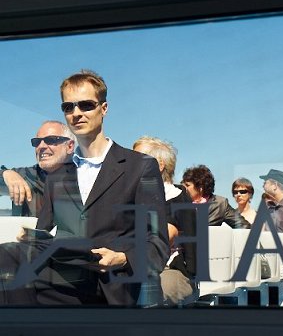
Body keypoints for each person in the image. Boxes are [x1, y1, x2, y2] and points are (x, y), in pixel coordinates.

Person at [0, 70, 169, 305]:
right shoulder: (58, 176)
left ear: (104, 108)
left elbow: (158, 244)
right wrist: (32, 238)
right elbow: (44, 237)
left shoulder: (139, 167)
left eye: (86, 105)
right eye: (68, 107)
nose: (76, 113)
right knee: (7, 257)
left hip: (109, 282)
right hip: (60, 277)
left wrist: (122, 258)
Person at [133, 136, 196, 305]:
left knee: (145, 294)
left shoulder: (176, 199)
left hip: (171, 271)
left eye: (137, 159)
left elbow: (159, 239)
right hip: (136, 267)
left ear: (159, 165)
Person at [0, 121, 75, 217]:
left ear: (70, 146)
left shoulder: (86, 178)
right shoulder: (25, 176)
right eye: (37, 142)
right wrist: (5, 174)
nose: (41, 146)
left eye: (51, 140)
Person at [182, 165, 250, 228]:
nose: (183, 188)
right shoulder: (178, 201)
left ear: (200, 187)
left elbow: (244, 226)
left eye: (187, 185)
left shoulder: (220, 204)